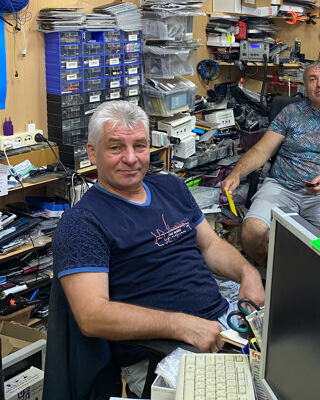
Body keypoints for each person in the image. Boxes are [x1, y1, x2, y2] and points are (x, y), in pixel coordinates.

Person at [52, 100, 265, 360]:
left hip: (223, 323)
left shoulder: (171, 186)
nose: (131, 158)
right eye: (116, 147)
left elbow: (210, 245)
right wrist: (181, 326)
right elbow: (92, 316)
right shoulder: (82, 223)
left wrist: (248, 273)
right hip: (164, 352)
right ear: (93, 152)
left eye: (139, 146)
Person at [221, 60, 320, 266]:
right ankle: (278, 274)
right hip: (282, 188)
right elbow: (262, 150)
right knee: (252, 232)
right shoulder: (291, 112)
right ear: (305, 86)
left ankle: (318, 276)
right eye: (312, 79)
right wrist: (236, 173)